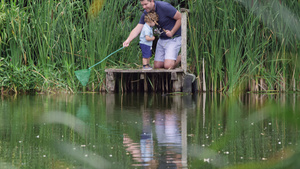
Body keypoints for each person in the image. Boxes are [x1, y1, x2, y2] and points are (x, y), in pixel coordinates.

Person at [123, 0, 182, 69]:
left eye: (146, 4)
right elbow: (138, 27)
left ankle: (181, 57)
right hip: (162, 39)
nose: (144, 7)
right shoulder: (147, 13)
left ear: (152, 1)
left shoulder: (164, 7)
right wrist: (128, 40)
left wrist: (172, 32)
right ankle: (170, 59)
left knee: (168, 66)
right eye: (142, 5)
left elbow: (180, 17)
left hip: (174, 38)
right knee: (157, 66)